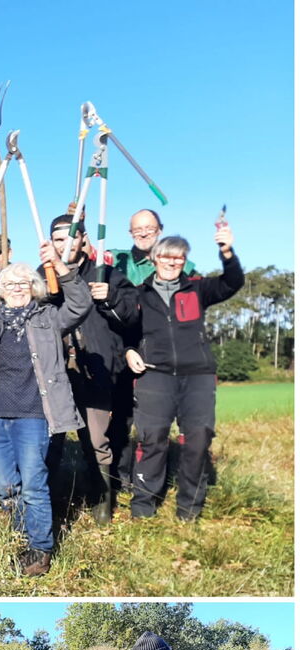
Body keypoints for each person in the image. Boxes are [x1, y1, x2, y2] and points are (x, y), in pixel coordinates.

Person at [0, 243, 92, 576]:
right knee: (6, 485)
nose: (18, 288)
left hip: (33, 417)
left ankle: (39, 549)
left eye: (24, 283)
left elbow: (81, 303)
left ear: (35, 288)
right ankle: (20, 538)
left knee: (34, 483)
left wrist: (59, 266)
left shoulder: (49, 319)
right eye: (10, 284)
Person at [124, 224, 243, 520]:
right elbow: (125, 330)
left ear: (184, 261)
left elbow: (233, 282)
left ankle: (189, 510)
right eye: (166, 257)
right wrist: (126, 351)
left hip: (198, 375)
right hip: (155, 374)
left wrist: (226, 251)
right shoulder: (139, 295)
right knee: (152, 438)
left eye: (178, 258)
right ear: (155, 259)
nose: (172, 263)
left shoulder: (199, 289)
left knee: (198, 439)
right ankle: (143, 509)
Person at [44, 214, 138, 523]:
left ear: (85, 239)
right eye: (59, 239)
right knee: (49, 443)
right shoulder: (41, 276)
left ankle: (101, 508)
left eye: (72, 237)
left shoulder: (107, 275)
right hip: (54, 373)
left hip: (94, 371)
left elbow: (131, 320)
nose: (66, 244)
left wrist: (109, 297)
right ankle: (50, 507)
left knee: (97, 443)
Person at [107, 210, 196, 490]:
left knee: (156, 425)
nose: (144, 233)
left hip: (160, 354)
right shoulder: (115, 260)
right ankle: (119, 480)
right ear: (130, 232)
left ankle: (150, 483)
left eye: (149, 228)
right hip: (120, 349)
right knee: (119, 421)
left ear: (160, 229)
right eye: (137, 229)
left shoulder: (183, 264)